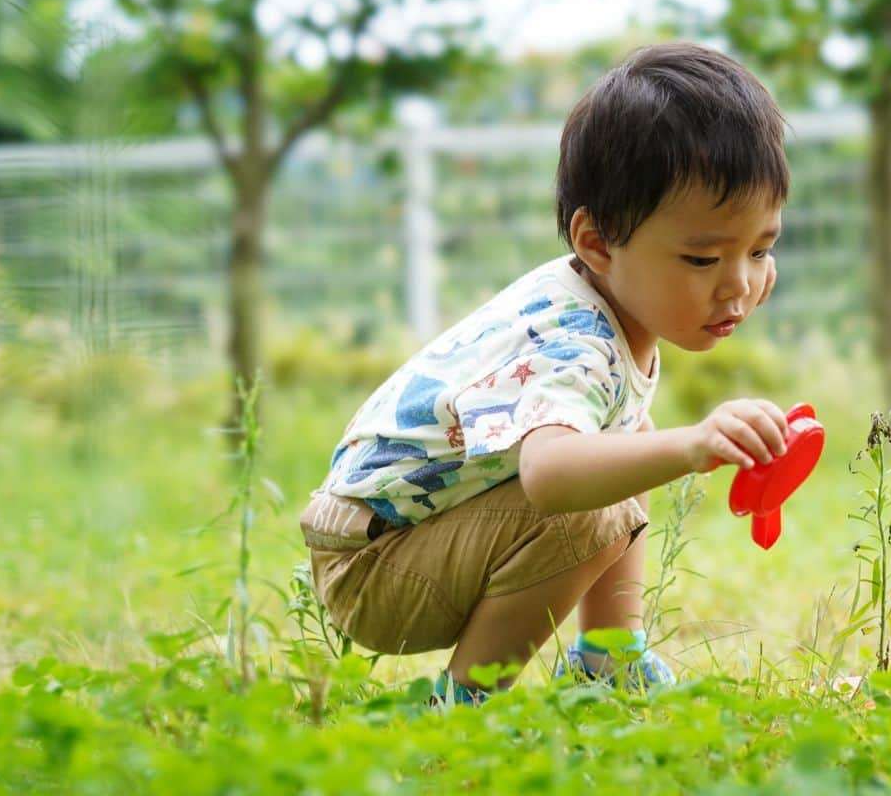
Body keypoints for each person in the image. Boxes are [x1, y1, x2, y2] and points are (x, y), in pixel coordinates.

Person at [300, 41, 793, 706]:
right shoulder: (574, 339)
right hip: (373, 566)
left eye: (761, 249)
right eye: (702, 259)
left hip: (407, 538)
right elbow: (550, 476)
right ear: (597, 242)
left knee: (626, 442)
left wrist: (661, 443)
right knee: (590, 503)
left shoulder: (614, 302)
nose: (738, 285)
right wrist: (691, 445)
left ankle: (610, 658)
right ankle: (467, 703)